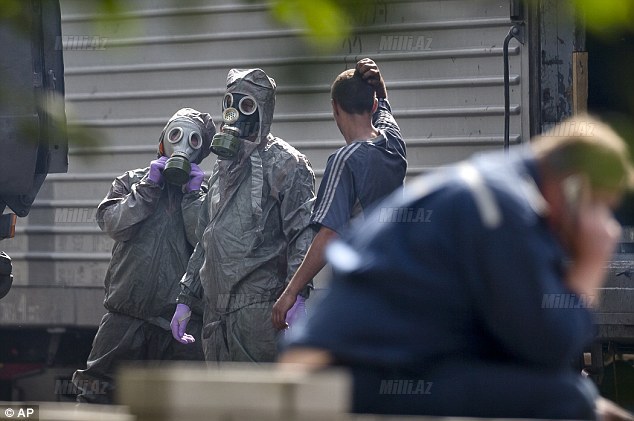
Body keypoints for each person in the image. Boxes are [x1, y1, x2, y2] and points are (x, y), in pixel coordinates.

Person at [280, 115, 634, 420]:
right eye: (600, 205)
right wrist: (591, 259)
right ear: (575, 188)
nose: (603, 221)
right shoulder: (503, 206)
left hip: (348, 366)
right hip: (343, 375)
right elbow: (554, 345)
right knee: (570, 398)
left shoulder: (491, 187)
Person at [170, 68, 316, 363]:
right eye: (229, 103)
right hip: (215, 314)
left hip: (259, 313)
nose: (234, 113)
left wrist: (298, 295)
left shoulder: (288, 164)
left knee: (260, 402)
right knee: (223, 403)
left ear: (263, 110)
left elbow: (302, 234)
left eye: (246, 105)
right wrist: (186, 298)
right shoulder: (223, 168)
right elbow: (205, 238)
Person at [73, 108, 215, 403]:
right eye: (176, 135)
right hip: (125, 316)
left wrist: (193, 196)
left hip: (180, 323)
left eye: (193, 140)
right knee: (97, 394)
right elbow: (114, 224)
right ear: (163, 140)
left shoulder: (206, 193)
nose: (182, 146)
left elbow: (208, 243)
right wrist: (148, 187)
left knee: (184, 405)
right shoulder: (131, 183)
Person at [271, 58, 407, 331]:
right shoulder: (394, 142)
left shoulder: (346, 160)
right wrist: (378, 87)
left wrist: (290, 292)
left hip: (364, 289)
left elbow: (329, 234)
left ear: (334, 108)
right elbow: (385, 110)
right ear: (373, 106)